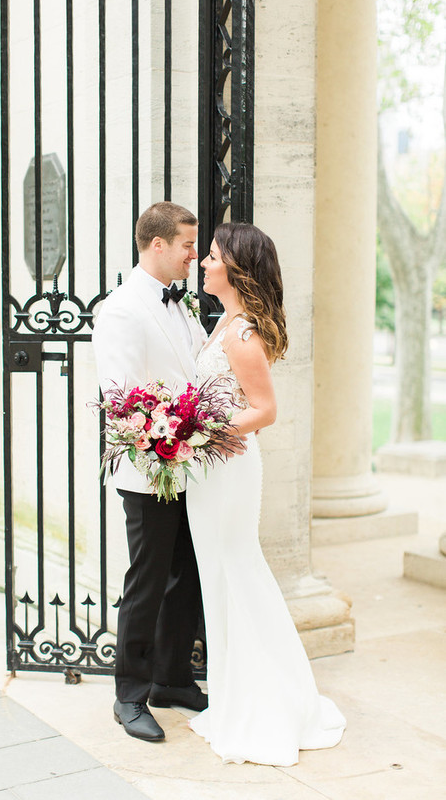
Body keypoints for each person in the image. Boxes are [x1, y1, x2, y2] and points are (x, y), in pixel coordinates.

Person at [186, 222, 346, 766]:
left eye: (212, 256)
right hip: (208, 469)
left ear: (234, 268)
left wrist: (199, 431)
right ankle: (234, 699)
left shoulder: (243, 335)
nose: (203, 263)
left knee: (237, 571)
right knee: (217, 578)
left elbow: (265, 410)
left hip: (228, 469)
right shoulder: (224, 323)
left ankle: (264, 705)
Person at [92, 202, 212, 743]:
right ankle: (129, 696)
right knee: (147, 582)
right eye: (187, 244)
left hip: (192, 467)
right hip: (149, 469)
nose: (194, 254)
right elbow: (120, 397)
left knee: (186, 575)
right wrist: (168, 437)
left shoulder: (181, 303)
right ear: (157, 244)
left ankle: (172, 678)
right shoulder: (121, 309)